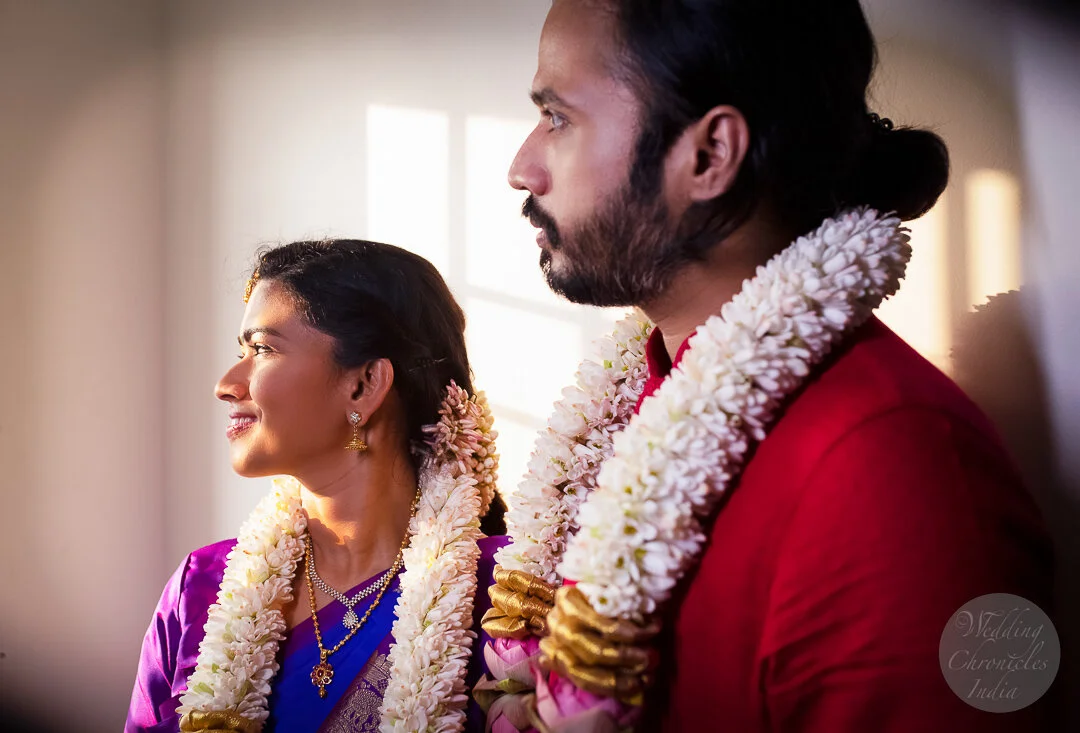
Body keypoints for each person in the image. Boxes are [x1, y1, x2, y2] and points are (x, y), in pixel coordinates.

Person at [477, 1, 1056, 731]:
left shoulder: (897, 470)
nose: (520, 167)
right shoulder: (631, 405)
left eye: (557, 116)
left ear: (711, 154)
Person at [126, 240, 507, 733]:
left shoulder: (511, 597)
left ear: (364, 385)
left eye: (262, 349)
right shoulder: (202, 588)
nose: (226, 383)